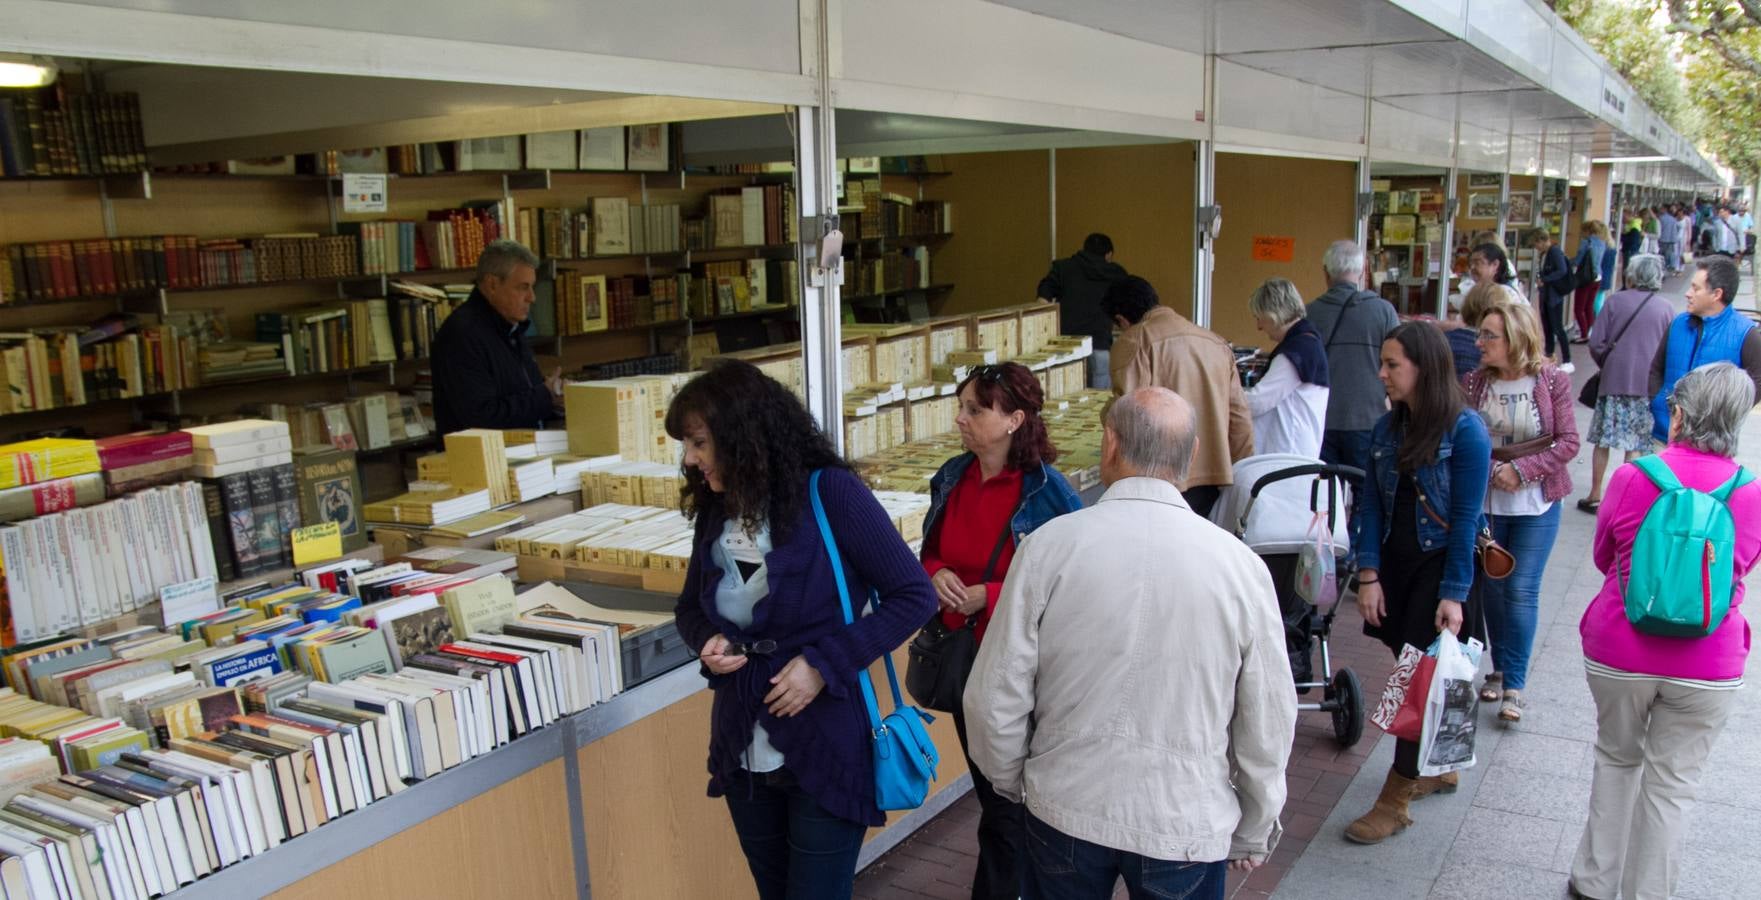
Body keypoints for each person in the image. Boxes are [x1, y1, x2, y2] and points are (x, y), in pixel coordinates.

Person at [964, 386, 1296, 900]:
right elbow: (1268, 716)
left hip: (1065, 802)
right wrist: (1255, 821)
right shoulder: (1241, 568)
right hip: (1184, 818)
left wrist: (1013, 779)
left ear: (1110, 445)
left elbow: (994, 694)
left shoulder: (1049, 547)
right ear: (1191, 455)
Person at [665, 360, 936, 900]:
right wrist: (708, 643)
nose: (689, 460)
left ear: (743, 434)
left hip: (827, 737)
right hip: (743, 741)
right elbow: (690, 609)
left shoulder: (830, 493)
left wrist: (823, 664)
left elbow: (914, 595)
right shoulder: (717, 511)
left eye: (698, 442)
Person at [1569, 362, 1761, 900]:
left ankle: (1593, 882)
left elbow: (1605, 556)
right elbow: (1740, 567)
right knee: (1672, 785)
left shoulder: (1635, 476)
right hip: (1708, 664)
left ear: (1678, 415)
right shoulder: (1752, 493)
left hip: (1620, 653)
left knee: (1616, 758)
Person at [919, 361, 1081, 900]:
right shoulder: (950, 477)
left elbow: (1073, 580)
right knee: (994, 794)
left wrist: (990, 594)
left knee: (1011, 802)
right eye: (961, 406)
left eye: (974, 409)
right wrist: (935, 572)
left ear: (1014, 419)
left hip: (1018, 665)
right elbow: (931, 551)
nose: (960, 419)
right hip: (965, 661)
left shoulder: (1047, 492)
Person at [1345, 322, 1491, 844]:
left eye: (1392, 365)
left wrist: (1453, 593)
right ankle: (1441, 765)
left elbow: (1467, 519)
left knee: (1416, 683)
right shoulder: (1387, 430)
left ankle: (1394, 800)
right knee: (1423, 676)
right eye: (1382, 363)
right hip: (1395, 569)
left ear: (1424, 368)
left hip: (1440, 570)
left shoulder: (1466, 430)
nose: (1381, 374)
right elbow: (1371, 507)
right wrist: (1368, 575)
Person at [1462, 301, 1578, 723]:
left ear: (1514, 337)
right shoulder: (1474, 383)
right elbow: (1464, 438)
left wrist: (1523, 471)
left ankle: (1515, 685)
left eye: (1488, 336)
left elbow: (1568, 442)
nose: (1479, 343)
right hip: (1490, 503)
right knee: (1493, 587)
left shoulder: (1550, 380)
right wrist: (1495, 469)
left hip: (1538, 502)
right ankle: (1497, 668)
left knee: (1521, 590)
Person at [1103, 275, 1252, 517]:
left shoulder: (1134, 340)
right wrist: (1243, 468)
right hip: (1213, 475)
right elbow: (1240, 417)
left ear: (1121, 319)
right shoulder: (1215, 342)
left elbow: (1127, 415)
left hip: (1157, 477)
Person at [429, 239, 564, 434]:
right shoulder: (462, 334)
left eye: (532, 287)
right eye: (523, 287)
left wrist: (556, 401)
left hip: (523, 451)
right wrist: (545, 396)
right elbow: (481, 417)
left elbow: (522, 395)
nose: (532, 298)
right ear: (492, 284)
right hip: (483, 458)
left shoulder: (510, 326)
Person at [1580, 255, 1673, 513]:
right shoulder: (1666, 309)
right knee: (1634, 445)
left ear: (1632, 274)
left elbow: (1596, 342)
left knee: (1603, 440)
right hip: (1646, 386)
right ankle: (1623, 497)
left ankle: (1595, 492)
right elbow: (1668, 350)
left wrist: (1608, 363)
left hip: (1613, 381)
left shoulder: (1614, 302)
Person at [1308, 239, 1401, 495]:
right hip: (1368, 419)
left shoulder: (1310, 314)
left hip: (1322, 421)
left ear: (1325, 272)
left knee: (1323, 498)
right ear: (1362, 272)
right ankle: (1360, 535)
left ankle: (1327, 536)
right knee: (1369, 495)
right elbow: (1399, 362)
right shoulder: (1383, 312)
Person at [1648, 255, 1761, 444]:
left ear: (1716, 294)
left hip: (1710, 446)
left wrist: (1727, 416)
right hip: (1663, 436)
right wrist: (1657, 401)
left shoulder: (1745, 334)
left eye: (1696, 288)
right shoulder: (1677, 324)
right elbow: (1656, 369)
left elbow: (1759, 380)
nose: (1688, 293)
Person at [1244, 278, 1329, 457]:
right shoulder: (1308, 342)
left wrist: (1222, 398)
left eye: (1259, 317)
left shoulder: (1295, 351)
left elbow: (1258, 401)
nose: (1259, 326)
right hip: (1295, 450)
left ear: (1272, 314)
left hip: (1287, 453)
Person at [1037, 233, 1129, 390]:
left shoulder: (1063, 267)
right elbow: (1127, 305)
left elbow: (1042, 299)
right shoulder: (1116, 273)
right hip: (1099, 344)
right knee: (1098, 402)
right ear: (1108, 254)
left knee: (1069, 397)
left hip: (1066, 347)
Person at [1527, 228, 1576, 373]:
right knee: (1548, 327)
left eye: (1536, 243)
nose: (1536, 247)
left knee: (1557, 327)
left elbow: (1562, 270)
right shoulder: (1545, 254)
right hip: (1547, 294)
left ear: (1541, 241)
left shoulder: (1554, 252)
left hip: (1554, 295)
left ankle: (1567, 359)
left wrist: (1545, 279)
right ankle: (1549, 355)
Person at [1454, 242, 1526, 307]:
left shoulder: (1504, 294)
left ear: (1495, 264)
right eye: (1471, 263)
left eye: (1477, 263)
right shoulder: (1481, 290)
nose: (1472, 267)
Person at [1572, 221, 1610, 342]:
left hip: (1586, 277)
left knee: (1579, 308)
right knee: (1589, 306)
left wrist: (1567, 261)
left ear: (1588, 231)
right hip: (1597, 276)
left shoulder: (1586, 242)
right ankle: (1590, 331)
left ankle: (1584, 334)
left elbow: (1578, 260)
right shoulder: (1602, 243)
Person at [1656, 205, 1682, 275]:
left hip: (1662, 239)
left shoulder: (1660, 219)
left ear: (1664, 209)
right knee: (1668, 256)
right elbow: (1675, 229)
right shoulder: (1673, 219)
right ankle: (1667, 269)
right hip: (1671, 240)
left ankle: (1661, 270)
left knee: (1661, 255)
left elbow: (1658, 229)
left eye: (1661, 209)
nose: (1660, 210)